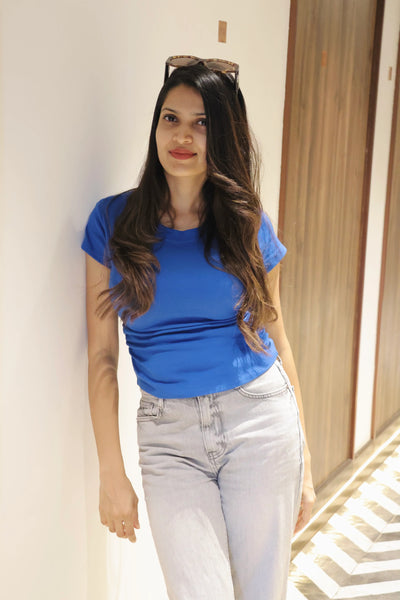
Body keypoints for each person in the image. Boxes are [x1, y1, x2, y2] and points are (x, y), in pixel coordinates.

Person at [82, 55, 316, 600]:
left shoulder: (247, 224)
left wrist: (306, 462)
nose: (182, 136)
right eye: (171, 118)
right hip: (169, 438)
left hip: (260, 422)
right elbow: (101, 357)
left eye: (201, 122)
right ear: (155, 126)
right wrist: (111, 471)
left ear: (223, 134)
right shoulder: (111, 223)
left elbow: (278, 339)